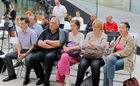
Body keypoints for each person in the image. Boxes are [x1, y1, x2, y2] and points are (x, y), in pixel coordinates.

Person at [28, 17, 68, 86]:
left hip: (55, 52)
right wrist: (51, 46)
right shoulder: (45, 31)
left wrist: (47, 41)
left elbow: (59, 43)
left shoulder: (61, 32)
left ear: (58, 25)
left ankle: (46, 81)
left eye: (53, 23)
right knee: (32, 59)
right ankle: (42, 77)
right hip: (44, 51)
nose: (51, 25)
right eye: (50, 23)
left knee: (48, 57)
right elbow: (39, 43)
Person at [2, 17, 37, 82]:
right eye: (20, 23)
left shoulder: (32, 33)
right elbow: (19, 43)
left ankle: (27, 78)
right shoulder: (20, 32)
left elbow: (33, 46)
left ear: (27, 23)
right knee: (7, 56)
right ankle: (12, 75)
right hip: (22, 50)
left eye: (22, 23)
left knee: (27, 59)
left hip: (30, 51)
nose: (20, 25)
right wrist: (18, 53)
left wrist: (25, 54)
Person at [75, 20, 107, 86]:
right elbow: (84, 45)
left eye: (96, 27)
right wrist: (96, 46)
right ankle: (77, 84)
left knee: (95, 65)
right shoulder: (89, 34)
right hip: (88, 55)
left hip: (99, 56)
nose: (94, 28)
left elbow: (103, 47)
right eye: (93, 27)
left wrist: (92, 44)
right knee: (82, 65)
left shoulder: (104, 36)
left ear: (100, 28)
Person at [103, 22, 135, 86]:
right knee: (111, 60)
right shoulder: (119, 37)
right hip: (117, 57)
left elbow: (126, 52)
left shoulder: (130, 39)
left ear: (127, 29)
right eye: (119, 27)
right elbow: (115, 50)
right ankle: (110, 84)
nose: (120, 29)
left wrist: (113, 54)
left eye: (122, 28)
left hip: (126, 59)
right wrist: (112, 45)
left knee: (107, 66)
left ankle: (108, 84)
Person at [56, 20, 84, 86]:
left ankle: (62, 83)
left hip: (75, 55)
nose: (72, 27)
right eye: (71, 26)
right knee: (64, 57)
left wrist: (70, 48)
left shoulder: (81, 35)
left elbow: (80, 47)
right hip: (67, 53)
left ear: (78, 26)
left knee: (62, 60)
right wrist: (64, 47)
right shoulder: (68, 34)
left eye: (73, 26)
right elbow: (63, 43)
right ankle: (67, 79)